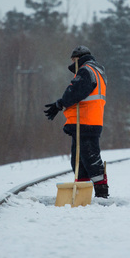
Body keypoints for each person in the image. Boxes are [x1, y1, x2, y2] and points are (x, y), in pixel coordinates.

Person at [44, 45, 109, 198]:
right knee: (80, 161)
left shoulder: (86, 71)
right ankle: (82, 194)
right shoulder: (97, 71)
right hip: (89, 121)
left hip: (85, 121)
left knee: (90, 159)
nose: (73, 63)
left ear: (78, 58)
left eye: (74, 60)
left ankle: (102, 194)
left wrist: (59, 104)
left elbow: (75, 92)